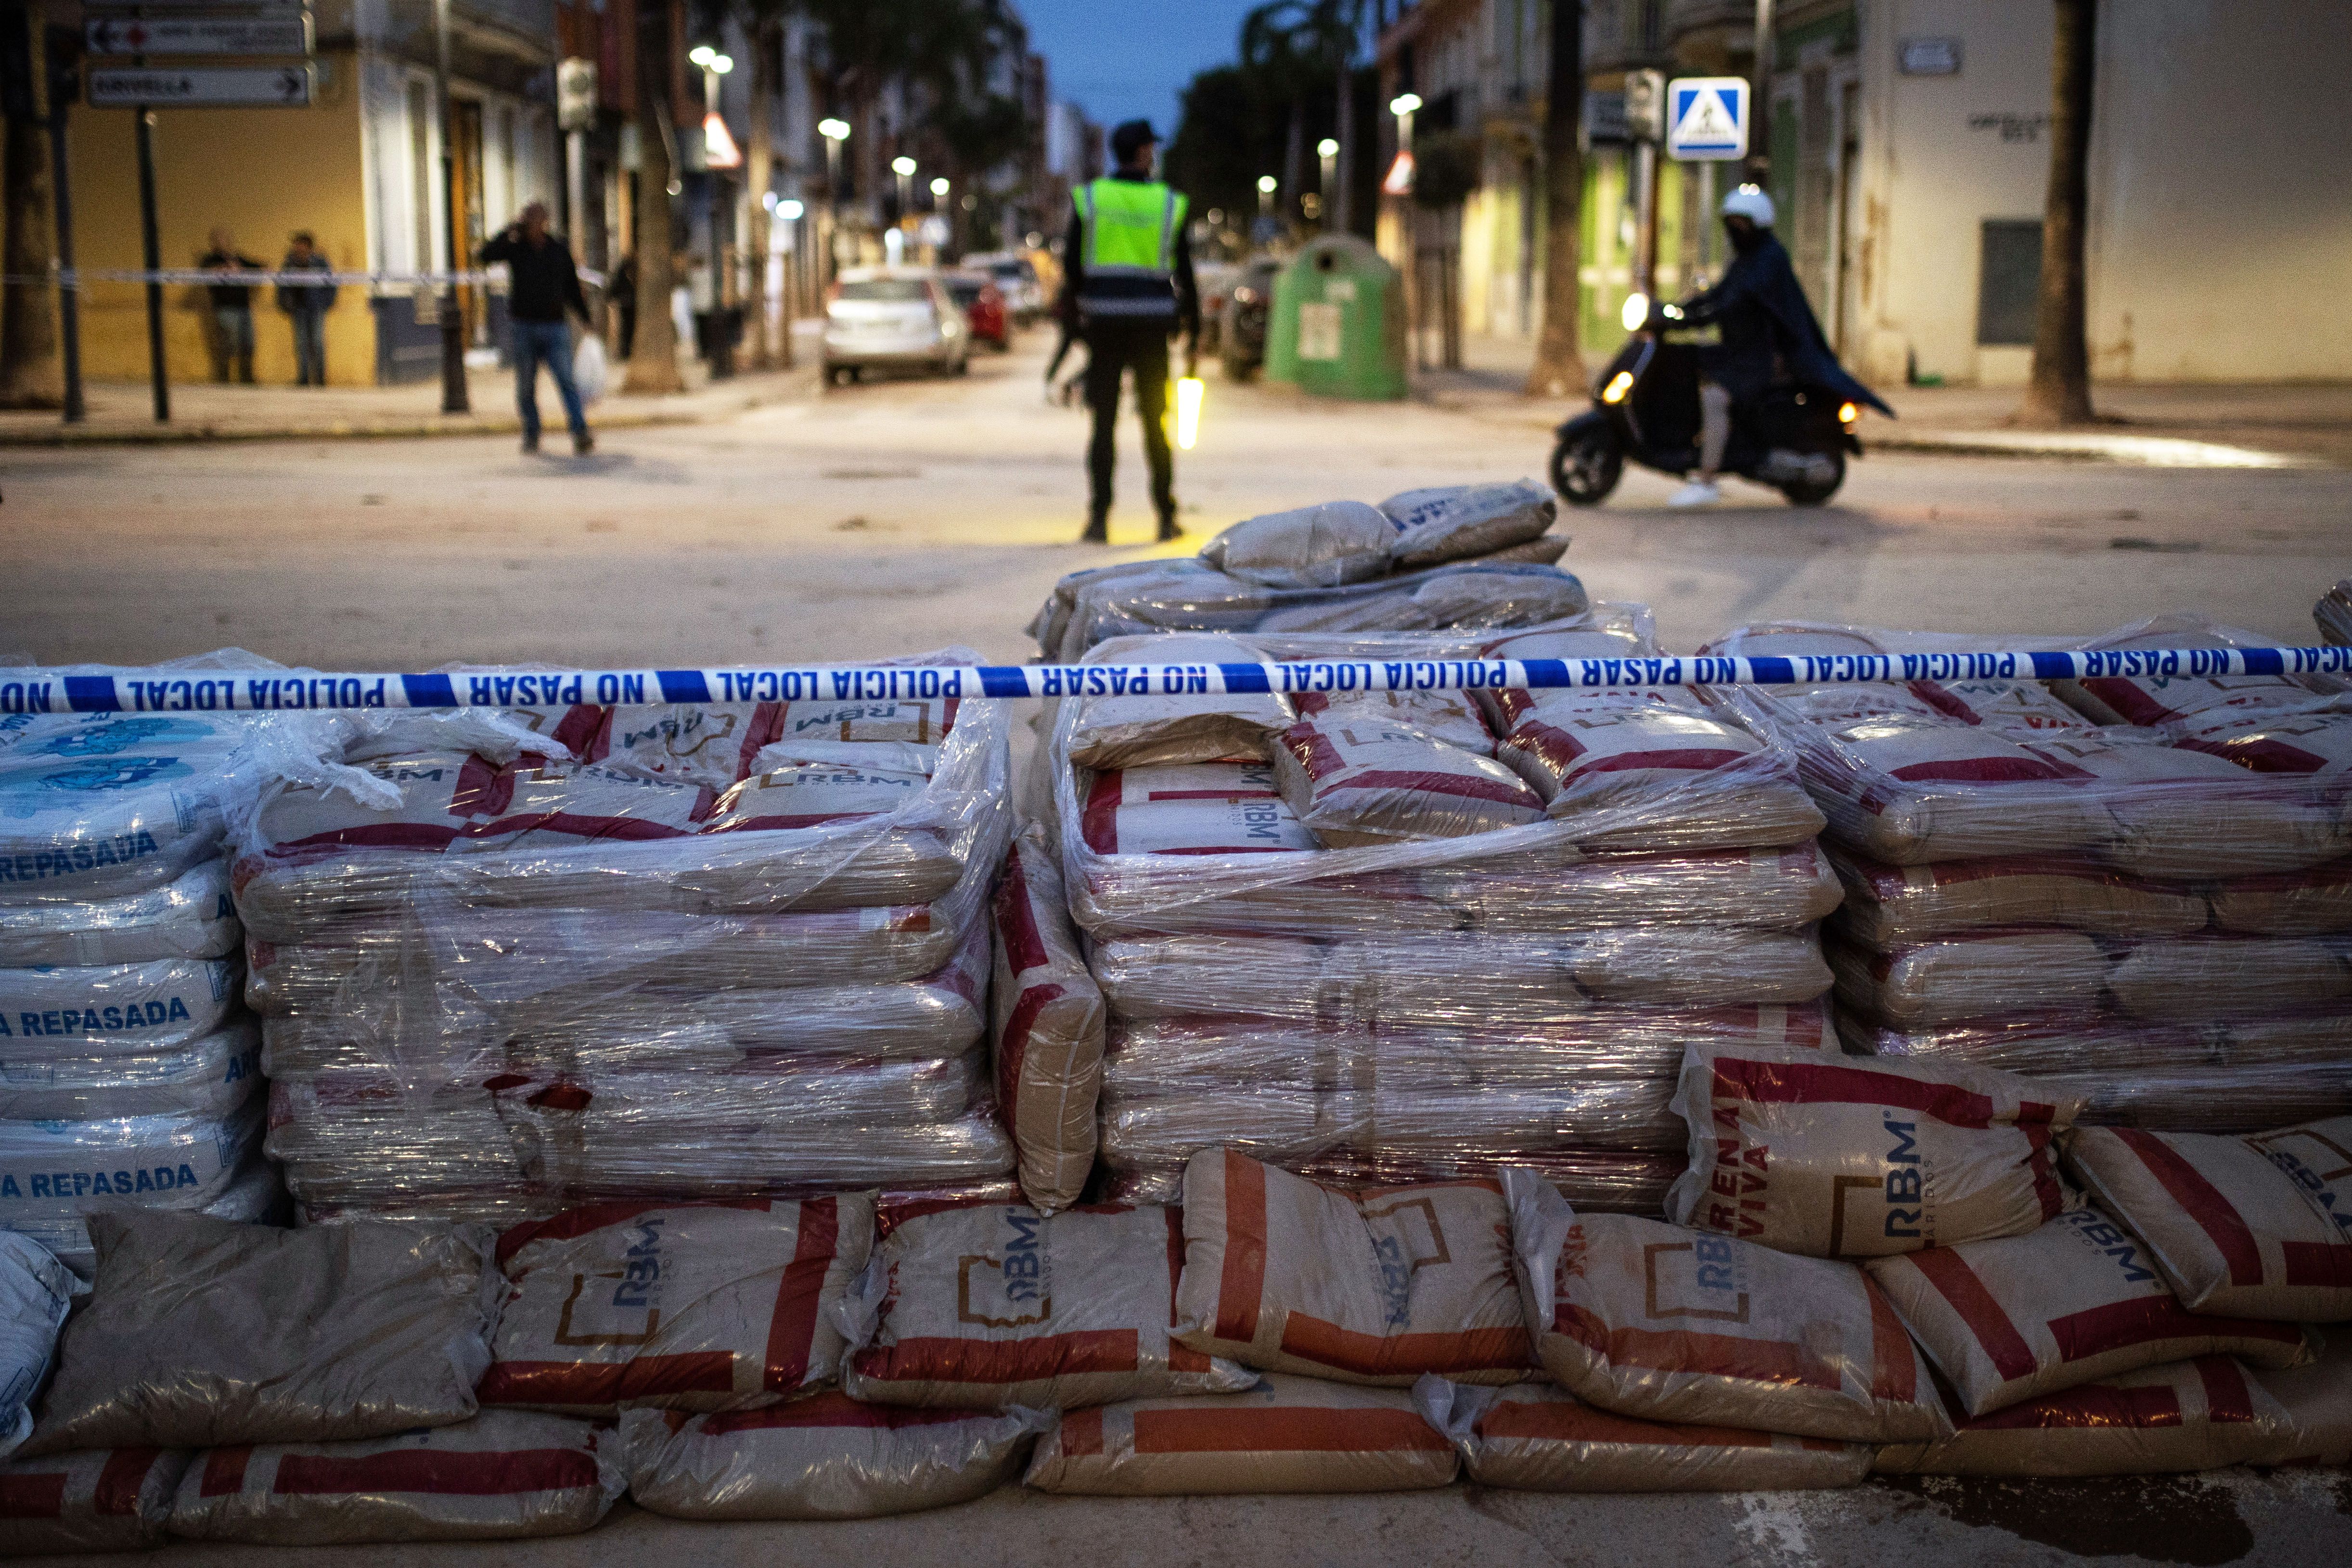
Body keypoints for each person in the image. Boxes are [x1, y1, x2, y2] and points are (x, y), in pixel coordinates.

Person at [1666, 185, 1886, 507]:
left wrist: (1694, 318)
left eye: (1739, 223)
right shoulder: (1747, 258)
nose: (1733, 230)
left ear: (1756, 223)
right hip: (1741, 353)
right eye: (1730, 223)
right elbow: (1720, 294)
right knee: (1689, 366)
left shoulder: (1768, 259)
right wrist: (1677, 309)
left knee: (1714, 396)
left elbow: (1735, 301)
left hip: (1761, 359)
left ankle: (1707, 478)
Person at [1059, 118, 1198, 543]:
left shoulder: (1091, 199)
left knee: (1103, 423)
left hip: (1103, 322)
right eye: (1151, 148)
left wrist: (1084, 306)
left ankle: (1099, 519)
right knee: (1155, 423)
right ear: (1141, 152)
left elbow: (1070, 263)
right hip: (1152, 324)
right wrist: (1193, 324)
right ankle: (1165, 517)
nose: (1153, 154)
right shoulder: (1168, 202)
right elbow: (1184, 269)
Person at [480, 201, 594, 455]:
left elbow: (571, 288)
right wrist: (509, 230)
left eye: (536, 219)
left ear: (544, 222)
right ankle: (532, 433)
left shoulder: (557, 250)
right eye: (527, 220)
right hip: (524, 327)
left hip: (555, 327)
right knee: (526, 386)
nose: (532, 225)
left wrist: (585, 318)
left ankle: (580, 431)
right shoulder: (516, 248)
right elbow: (485, 256)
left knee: (566, 380)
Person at [197, 229, 264, 384]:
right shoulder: (211, 259)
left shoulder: (238, 258)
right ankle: (225, 378)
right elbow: (204, 271)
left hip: (244, 307)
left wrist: (242, 269)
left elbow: (259, 267)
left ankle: (247, 378)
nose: (222, 243)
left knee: (248, 342)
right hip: (225, 308)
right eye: (218, 240)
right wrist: (225, 269)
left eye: (224, 239)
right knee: (230, 342)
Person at [275, 231, 338, 387]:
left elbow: (331, 284)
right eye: (296, 245)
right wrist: (286, 304)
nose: (298, 248)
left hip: (316, 309)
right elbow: (281, 286)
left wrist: (325, 303)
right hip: (298, 309)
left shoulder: (320, 263)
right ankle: (303, 379)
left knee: (318, 343)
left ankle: (320, 379)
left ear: (308, 246)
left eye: (301, 244)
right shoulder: (289, 264)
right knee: (301, 344)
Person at [610, 253, 638, 361]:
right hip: (626, 305)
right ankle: (625, 352)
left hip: (630, 305)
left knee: (629, 329)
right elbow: (615, 288)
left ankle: (628, 351)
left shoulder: (632, 274)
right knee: (626, 329)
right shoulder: (623, 275)